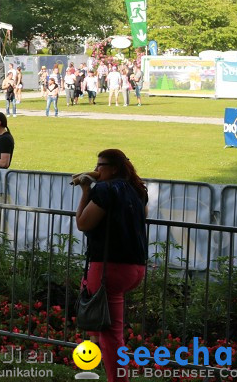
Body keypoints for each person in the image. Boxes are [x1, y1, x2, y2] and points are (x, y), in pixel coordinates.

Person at [74, 149, 148, 382]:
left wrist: (86, 191)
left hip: (109, 268)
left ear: (113, 168)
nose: (96, 170)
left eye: (100, 166)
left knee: (112, 336)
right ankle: (93, 342)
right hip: (135, 267)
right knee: (105, 326)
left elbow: (83, 223)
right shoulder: (136, 190)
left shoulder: (104, 190)